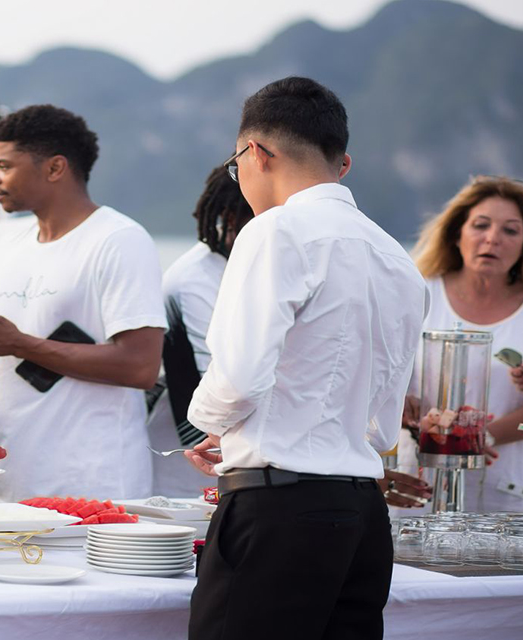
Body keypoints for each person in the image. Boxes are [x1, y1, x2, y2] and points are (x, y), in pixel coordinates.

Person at [183, 77, 426, 640]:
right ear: (343, 164)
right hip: (364, 515)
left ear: (256, 154)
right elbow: (379, 417)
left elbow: (239, 377)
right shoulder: (397, 259)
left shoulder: (276, 231)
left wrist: (213, 424)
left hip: (280, 512)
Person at [0, 105, 167, 502]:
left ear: (55, 168)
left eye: (4, 166)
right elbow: (15, 359)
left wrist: (18, 343)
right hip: (12, 482)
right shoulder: (12, 247)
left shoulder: (118, 240)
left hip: (96, 486)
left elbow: (140, 366)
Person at [403, 175, 523, 512]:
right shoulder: (415, 291)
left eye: (510, 230)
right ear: (457, 233)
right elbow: (370, 374)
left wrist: (485, 436)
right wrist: (396, 407)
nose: (492, 238)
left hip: (505, 501)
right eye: (481, 225)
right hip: (416, 489)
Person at [149, 167, 253, 497]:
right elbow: (228, 377)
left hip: (232, 459)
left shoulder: (243, 269)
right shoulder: (195, 279)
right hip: (190, 462)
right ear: (228, 215)